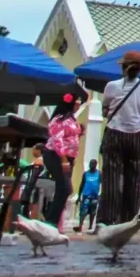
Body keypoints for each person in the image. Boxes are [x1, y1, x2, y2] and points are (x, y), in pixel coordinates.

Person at [99, 50, 140, 225]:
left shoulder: (112, 86)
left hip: (115, 132)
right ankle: (129, 220)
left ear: (122, 67)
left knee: (111, 178)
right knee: (135, 179)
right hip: (137, 134)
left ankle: (108, 220)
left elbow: (105, 109)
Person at [43, 90, 85, 230]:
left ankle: (53, 220)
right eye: (77, 101)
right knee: (65, 188)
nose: (79, 104)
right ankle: (50, 220)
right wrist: (64, 159)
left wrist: (80, 132)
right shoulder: (59, 120)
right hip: (57, 156)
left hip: (68, 158)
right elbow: (57, 140)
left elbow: (69, 138)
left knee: (63, 188)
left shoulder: (71, 119)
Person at [74, 158, 101, 233]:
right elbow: (81, 185)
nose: (91, 166)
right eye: (90, 164)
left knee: (93, 212)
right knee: (83, 211)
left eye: (93, 164)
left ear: (96, 165)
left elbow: (103, 184)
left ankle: (90, 226)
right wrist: (79, 196)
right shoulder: (85, 174)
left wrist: (101, 195)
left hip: (95, 196)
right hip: (86, 195)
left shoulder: (99, 173)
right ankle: (80, 226)